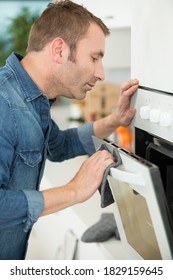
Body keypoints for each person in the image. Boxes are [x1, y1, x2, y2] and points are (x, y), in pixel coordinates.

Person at [0, 0, 139, 260]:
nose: (100, 73)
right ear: (59, 50)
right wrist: (74, 190)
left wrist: (115, 120)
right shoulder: (3, 103)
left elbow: (59, 145)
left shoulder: (34, 101)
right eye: (94, 57)